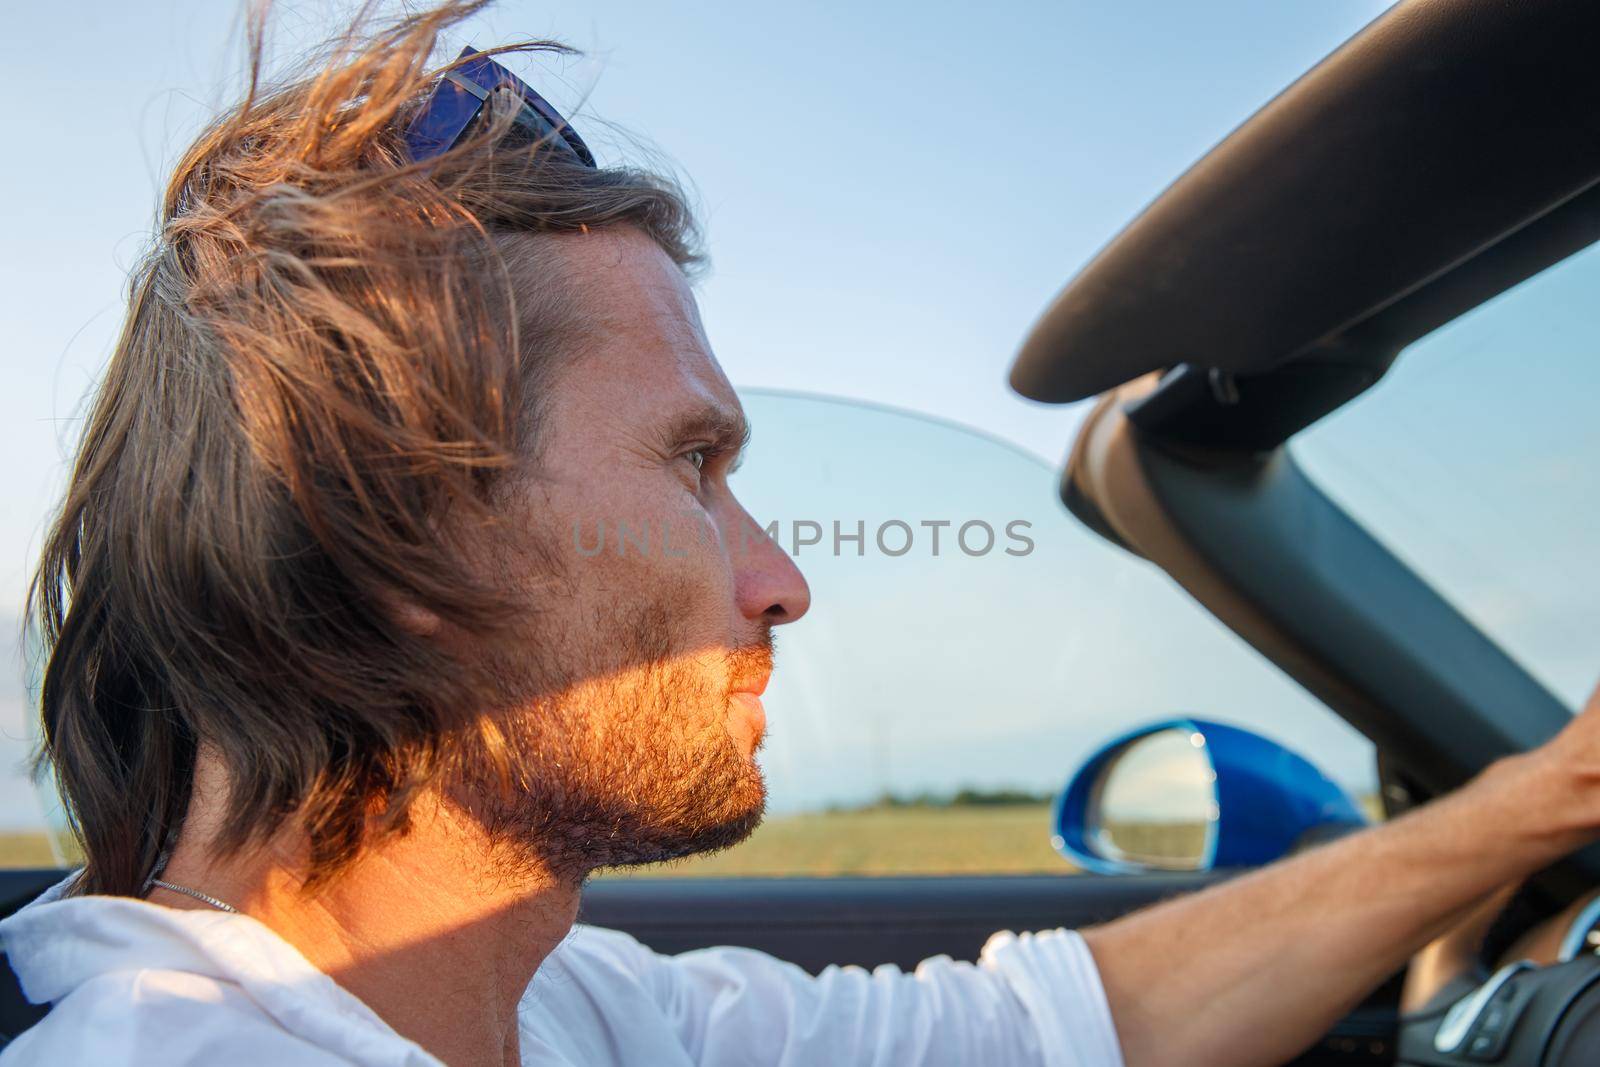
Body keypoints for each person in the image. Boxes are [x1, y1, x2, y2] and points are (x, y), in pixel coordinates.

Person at [4, 4, 1600, 1065]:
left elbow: (1050, 1032)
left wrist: (1545, 795)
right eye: (692, 464)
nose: (780, 578)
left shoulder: (556, 1002)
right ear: (385, 538)